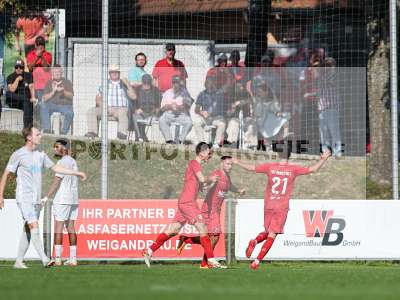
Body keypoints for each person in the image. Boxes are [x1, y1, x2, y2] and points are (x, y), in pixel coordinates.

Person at [232, 142, 331, 269]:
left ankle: (255, 241)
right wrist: (323, 159)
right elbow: (313, 169)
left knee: (268, 232)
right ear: (290, 155)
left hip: (269, 204)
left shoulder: (270, 167)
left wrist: (237, 161)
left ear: (278, 154)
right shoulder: (293, 169)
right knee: (273, 234)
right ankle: (256, 261)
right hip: (281, 206)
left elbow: (252, 168)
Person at [0, 127, 87, 269]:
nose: (41, 136)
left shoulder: (40, 154)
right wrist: (0, 195)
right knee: (34, 225)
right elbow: (6, 174)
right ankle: (45, 259)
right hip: (24, 197)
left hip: (36, 199)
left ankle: (18, 261)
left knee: (28, 229)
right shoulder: (18, 154)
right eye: (38, 134)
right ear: (29, 137)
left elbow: (56, 169)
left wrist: (77, 173)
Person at [142, 142, 225, 269]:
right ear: (202, 152)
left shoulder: (196, 166)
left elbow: (203, 186)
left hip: (185, 203)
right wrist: (210, 179)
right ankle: (211, 260)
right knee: (203, 228)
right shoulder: (194, 163)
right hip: (188, 203)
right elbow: (203, 179)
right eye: (209, 152)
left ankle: (149, 250)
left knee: (172, 230)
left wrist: (212, 183)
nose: (210, 155)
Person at [177, 156, 245, 268]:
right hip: (209, 210)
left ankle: (187, 240)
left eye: (231, 164)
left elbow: (229, 186)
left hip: (216, 210)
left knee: (209, 238)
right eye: (228, 164)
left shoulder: (227, 177)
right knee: (215, 236)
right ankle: (206, 263)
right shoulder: (216, 174)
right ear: (222, 163)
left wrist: (239, 191)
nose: (230, 166)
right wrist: (208, 186)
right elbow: (205, 186)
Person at [43, 139, 80, 266]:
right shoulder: (73, 161)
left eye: (57, 146)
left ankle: (57, 258)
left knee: (58, 228)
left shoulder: (62, 162)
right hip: (74, 199)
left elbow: (56, 181)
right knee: (71, 228)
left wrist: (46, 196)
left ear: (64, 148)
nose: (54, 149)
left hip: (63, 199)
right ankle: (73, 258)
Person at [85, 64, 136, 140]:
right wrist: (105, 107)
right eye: (112, 72)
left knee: (123, 111)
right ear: (109, 73)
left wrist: (128, 84)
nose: (114, 73)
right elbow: (98, 99)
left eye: (116, 72)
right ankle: (92, 133)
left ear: (119, 73)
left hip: (120, 110)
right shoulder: (104, 84)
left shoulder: (124, 84)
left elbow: (134, 97)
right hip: (106, 108)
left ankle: (121, 135)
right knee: (91, 111)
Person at [193, 75, 226, 148]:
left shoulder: (219, 94)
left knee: (222, 124)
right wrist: (202, 112)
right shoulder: (201, 94)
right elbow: (196, 109)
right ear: (205, 84)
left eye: (212, 82)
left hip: (216, 118)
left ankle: (216, 144)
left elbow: (223, 108)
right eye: (208, 82)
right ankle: (202, 143)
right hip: (205, 117)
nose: (210, 84)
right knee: (196, 122)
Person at [159, 75, 193, 144]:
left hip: (181, 114)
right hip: (169, 113)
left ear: (180, 83)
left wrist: (179, 107)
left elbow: (188, 106)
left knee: (189, 122)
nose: (176, 85)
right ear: (172, 83)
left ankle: (180, 140)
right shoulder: (167, 92)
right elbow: (162, 108)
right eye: (174, 83)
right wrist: (170, 106)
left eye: (177, 83)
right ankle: (169, 140)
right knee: (161, 120)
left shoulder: (185, 93)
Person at [40, 65, 74, 134]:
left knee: (70, 113)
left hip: (65, 105)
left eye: (58, 71)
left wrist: (63, 91)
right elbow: (44, 98)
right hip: (52, 105)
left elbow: (71, 96)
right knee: (43, 105)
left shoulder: (67, 82)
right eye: (55, 72)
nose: (57, 73)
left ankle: (63, 132)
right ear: (52, 73)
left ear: (62, 73)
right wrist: (53, 91)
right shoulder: (49, 83)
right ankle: (47, 129)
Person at [128, 74, 161, 142]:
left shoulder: (156, 90)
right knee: (135, 116)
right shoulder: (137, 89)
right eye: (145, 83)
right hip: (141, 113)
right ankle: (139, 137)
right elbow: (132, 103)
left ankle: (154, 141)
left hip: (152, 114)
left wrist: (156, 109)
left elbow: (159, 104)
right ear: (142, 82)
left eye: (148, 83)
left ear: (150, 82)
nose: (146, 85)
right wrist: (136, 110)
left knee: (157, 120)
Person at [6, 59, 36, 127]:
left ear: (23, 67)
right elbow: (12, 89)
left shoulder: (28, 75)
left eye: (21, 67)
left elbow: (31, 86)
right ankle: (29, 126)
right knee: (8, 93)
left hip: (25, 100)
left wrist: (33, 97)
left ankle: (26, 127)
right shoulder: (10, 76)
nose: (18, 69)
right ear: (14, 67)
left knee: (27, 103)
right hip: (14, 101)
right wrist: (17, 79)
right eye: (17, 67)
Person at [26, 36, 52, 103]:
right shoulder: (30, 54)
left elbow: (46, 68)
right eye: (38, 44)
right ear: (35, 45)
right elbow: (30, 68)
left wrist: (41, 57)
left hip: (44, 80)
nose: (40, 46)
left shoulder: (48, 54)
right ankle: (34, 99)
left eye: (41, 44)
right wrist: (37, 57)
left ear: (44, 45)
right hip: (33, 79)